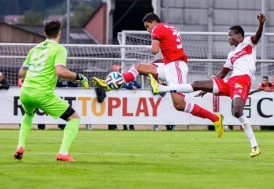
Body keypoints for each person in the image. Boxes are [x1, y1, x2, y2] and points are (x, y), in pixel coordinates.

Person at [150, 13, 266, 157]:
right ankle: (161, 88)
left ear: (239, 36)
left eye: (230, 35)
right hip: (230, 82)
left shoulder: (248, 43)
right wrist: (206, 89)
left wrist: (261, 24)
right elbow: (222, 74)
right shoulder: (231, 55)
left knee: (236, 111)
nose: (228, 38)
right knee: (198, 84)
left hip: (243, 81)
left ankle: (255, 146)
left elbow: (257, 36)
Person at [92, 12, 224, 137]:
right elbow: (170, 51)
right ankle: (113, 83)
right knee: (138, 67)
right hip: (170, 65)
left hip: (175, 67)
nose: (148, 30)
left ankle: (215, 118)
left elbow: (154, 50)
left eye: (147, 27)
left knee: (179, 105)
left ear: (154, 22)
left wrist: (150, 46)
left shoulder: (157, 29)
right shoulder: (169, 27)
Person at [13, 20, 89, 162]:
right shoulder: (59, 49)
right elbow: (60, 72)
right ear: (60, 32)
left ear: (44, 33)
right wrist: (79, 76)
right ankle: (63, 153)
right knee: (74, 118)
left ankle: (20, 146)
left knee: (29, 114)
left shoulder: (34, 49)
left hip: (25, 92)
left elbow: (21, 73)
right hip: (42, 93)